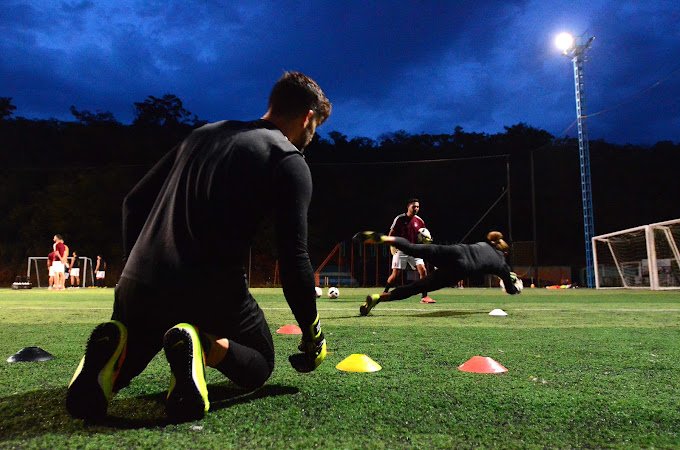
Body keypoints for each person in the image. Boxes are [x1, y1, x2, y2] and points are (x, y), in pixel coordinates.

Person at [66, 71, 332, 422]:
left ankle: (118, 347)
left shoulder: (203, 133)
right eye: (314, 129)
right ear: (307, 117)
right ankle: (201, 342)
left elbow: (132, 203)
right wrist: (312, 331)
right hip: (209, 291)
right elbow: (294, 256)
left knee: (132, 351)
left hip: (138, 283)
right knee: (260, 362)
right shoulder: (287, 159)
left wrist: (135, 270)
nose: (311, 138)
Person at [356, 230, 522, 315]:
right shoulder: (502, 264)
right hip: (459, 270)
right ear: (505, 253)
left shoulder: (485, 244)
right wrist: (516, 287)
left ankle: (387, 239)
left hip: (455, 251)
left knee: (413, 248)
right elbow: (510, 290)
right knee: (416, 287)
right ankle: (378, 298)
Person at [383, 199, 436, 304]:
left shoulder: (420, 221)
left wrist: (426, 240)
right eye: (414, 206)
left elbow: (424, 235)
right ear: (408, 207)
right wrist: (392, 245)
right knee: (395, 276)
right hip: (401, 250)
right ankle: (384, 293)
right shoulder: (400, 219)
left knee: (423, 271)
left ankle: (424, 297)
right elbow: (391, 234)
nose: (416, 208)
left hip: (415, 249)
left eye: (417, 207)